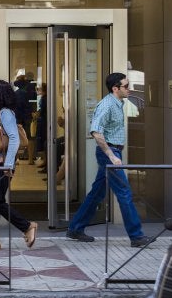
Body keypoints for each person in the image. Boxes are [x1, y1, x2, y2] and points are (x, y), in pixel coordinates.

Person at [66, 73, 155, 248]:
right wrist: (111, 155)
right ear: (115, 88)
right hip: (109, 153)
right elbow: (96, 131)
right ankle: (136, 236)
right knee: (124, 192)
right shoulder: (107, 105)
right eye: (126, 86)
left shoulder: (117, 103)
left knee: (97, 193)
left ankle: (75, 228)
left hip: (112, 152)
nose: (129, 89)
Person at [0, 80, 38, 251]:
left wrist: (8, 165)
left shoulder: (6, 113)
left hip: (1, 165)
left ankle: (27, 226)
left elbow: (14, 138)